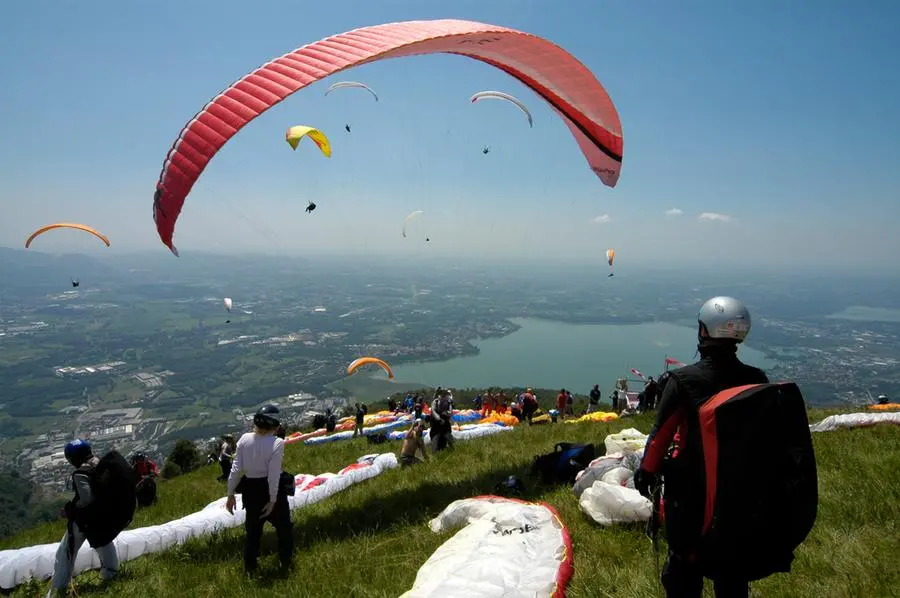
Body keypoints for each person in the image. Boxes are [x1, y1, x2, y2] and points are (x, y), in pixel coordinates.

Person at [634, 296, 770, 598]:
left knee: (684, 571)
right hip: (739, 496)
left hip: (690, 495)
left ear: (704, 330)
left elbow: (661, 435)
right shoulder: (757, 380)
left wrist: (645, 473)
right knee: (732, 575)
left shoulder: (683, 381)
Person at [46, 440, 133, 597]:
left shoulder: (81, 473)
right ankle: (111, 576)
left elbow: (86, 499)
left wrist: (70, 509)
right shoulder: (101, 464)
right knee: (104, 543)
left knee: (65, 552)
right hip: (101, 517)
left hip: (84, 520)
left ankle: (57, 591)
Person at [226, 405, 294, 575]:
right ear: (274, 424)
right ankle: (285, 562)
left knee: (253, 533)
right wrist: (272, 501)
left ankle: (250, 569)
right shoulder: (277, 443)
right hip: (271, 491)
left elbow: (235, 470)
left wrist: (230, 494)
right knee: (284, 529)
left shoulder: (244, 439)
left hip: (250, 490)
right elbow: (273, 475)